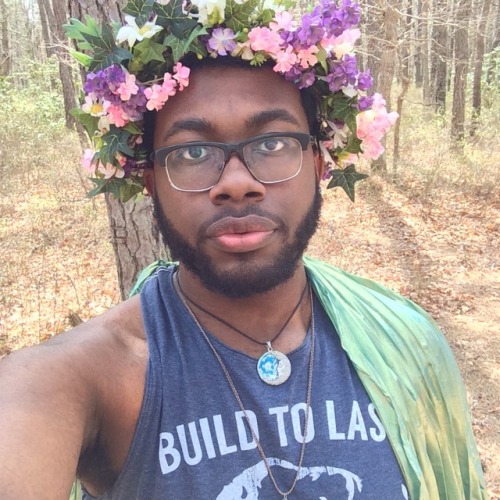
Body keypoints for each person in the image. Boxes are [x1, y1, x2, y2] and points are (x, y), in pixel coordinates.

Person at [0, 0, 487, 498]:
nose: (236, 184)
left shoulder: (405, 346)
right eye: (193, 152)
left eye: (272, 143)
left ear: (319, 164)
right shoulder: (86, 377)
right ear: (150, 183)